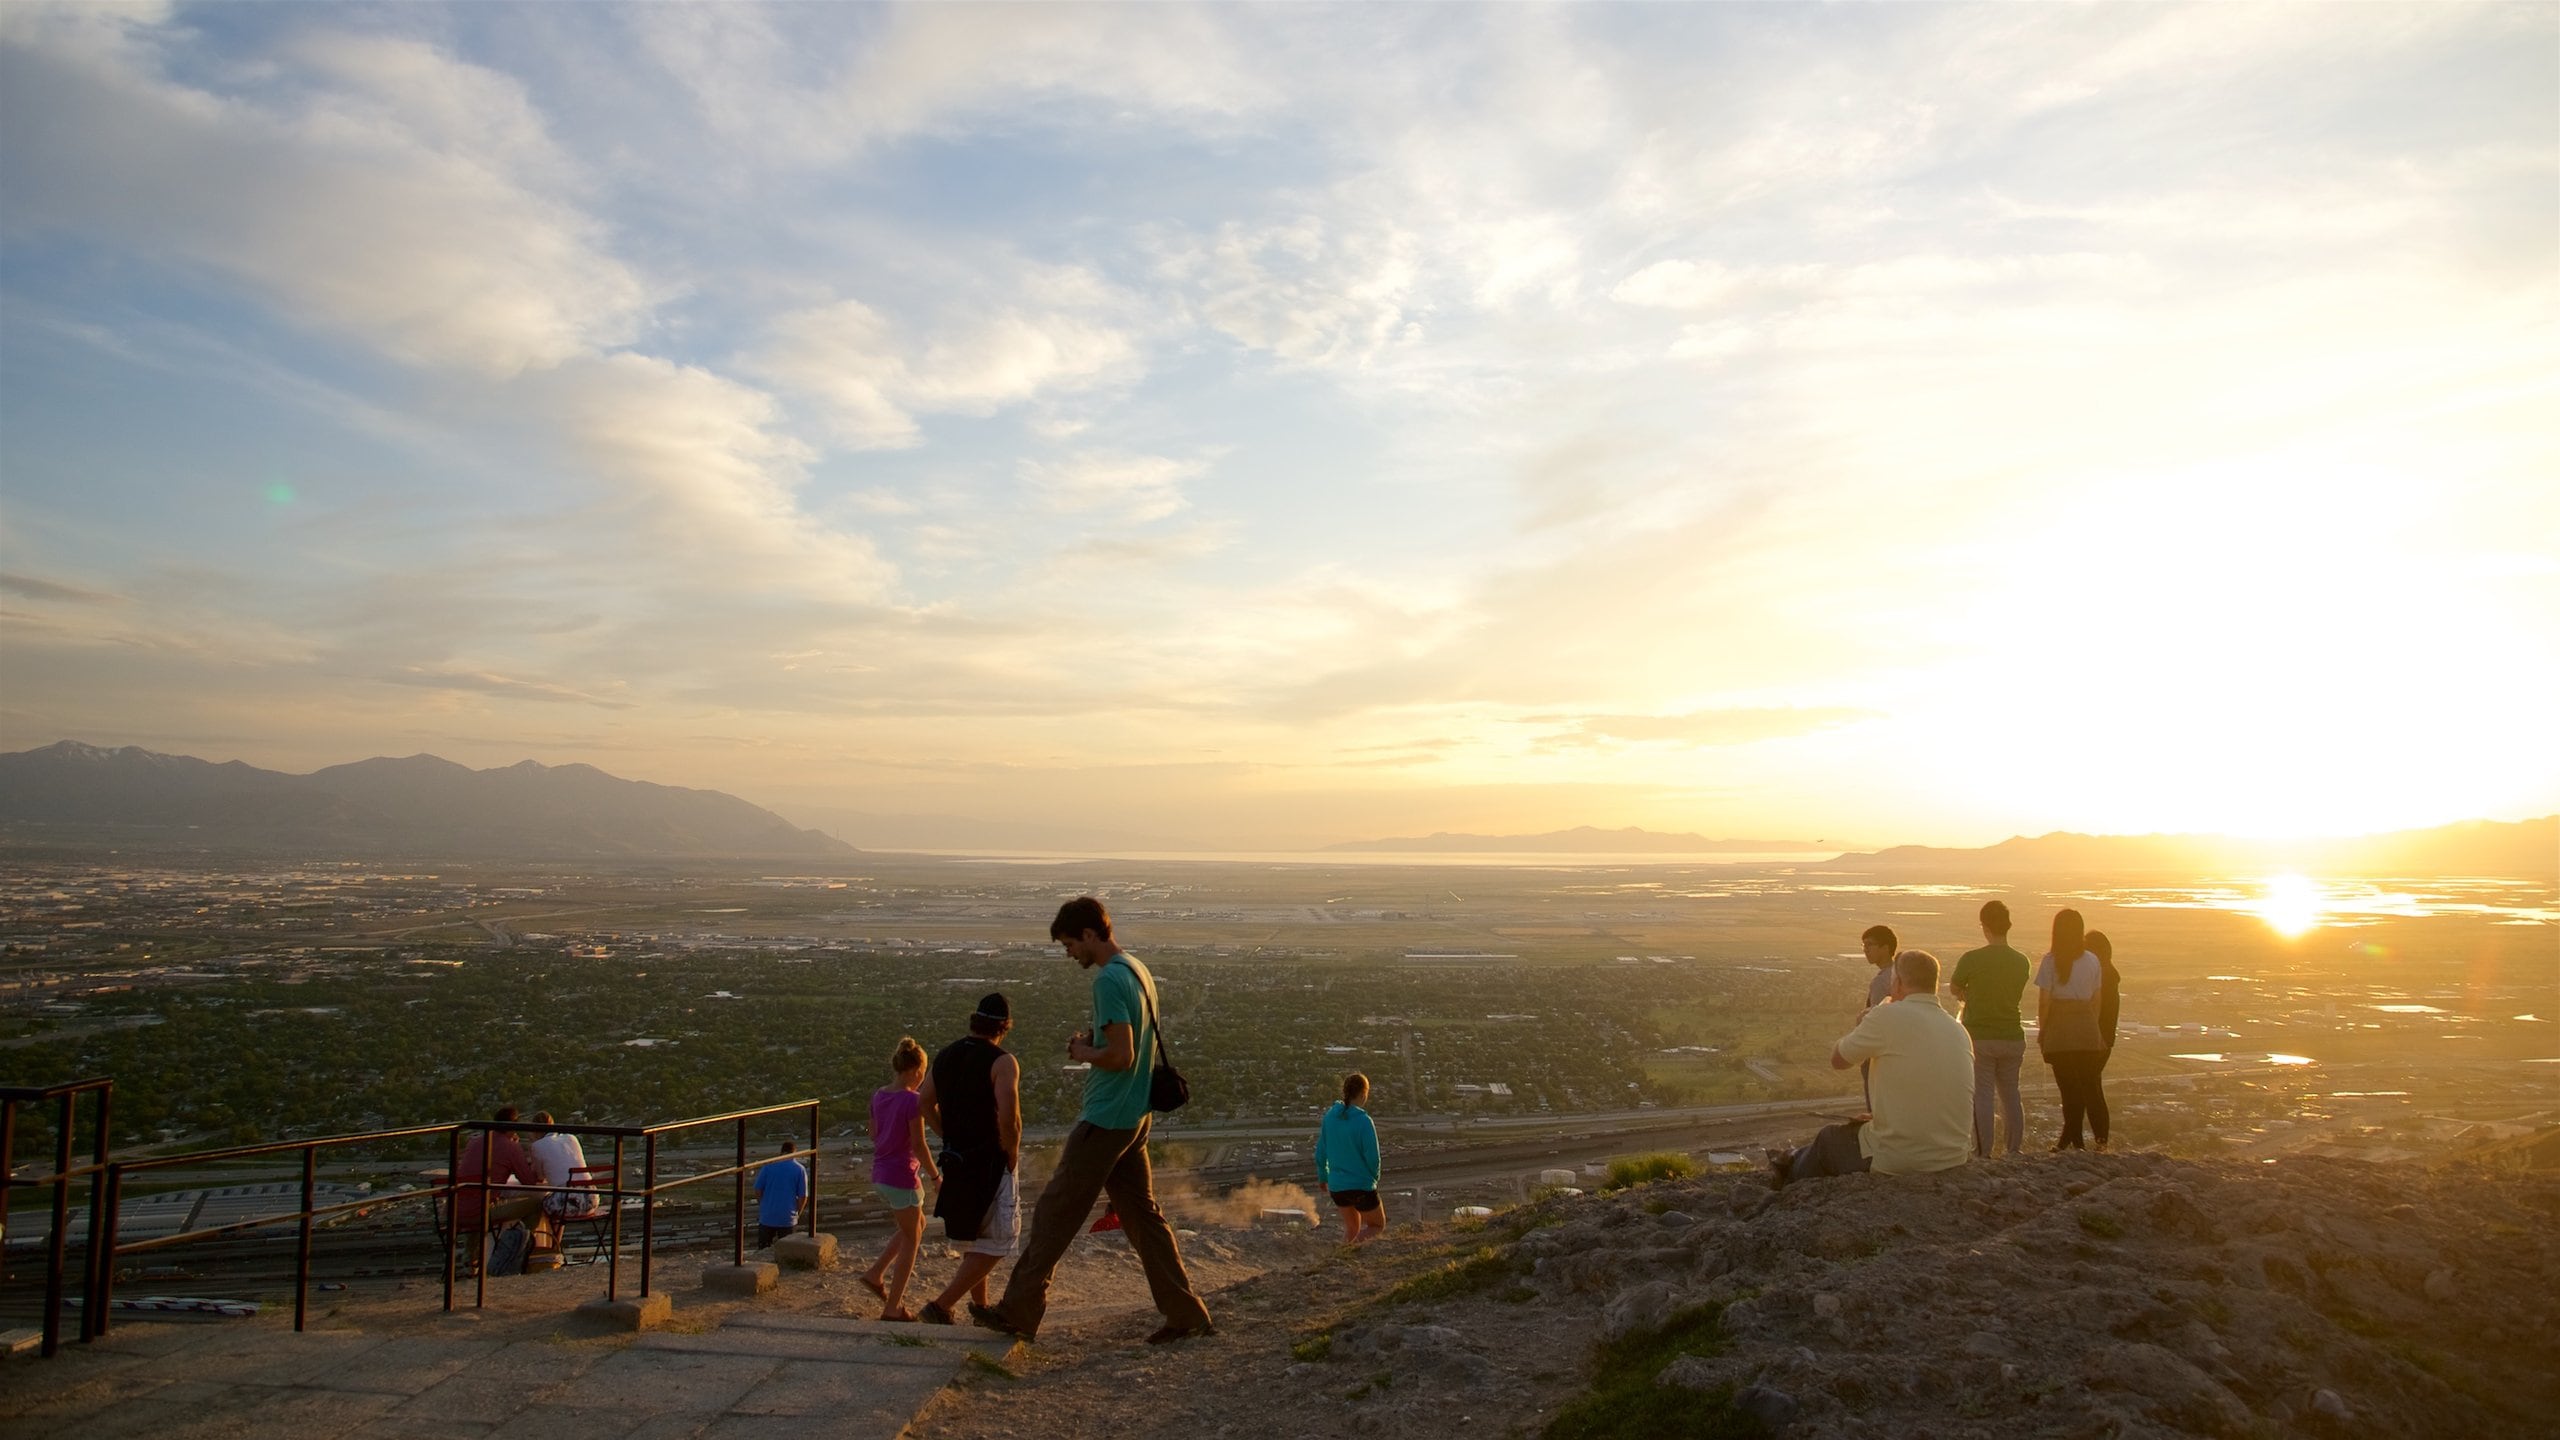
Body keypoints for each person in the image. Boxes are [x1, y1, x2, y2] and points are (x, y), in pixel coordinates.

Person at [972, 896, 1215, 1345]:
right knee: (1143, 1218)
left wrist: (1084, 1052)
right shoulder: (1137, 970)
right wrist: (1094, 1041)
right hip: (1135, 1116)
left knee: (1054, 1213)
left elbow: (1121, 1056)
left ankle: (1018, 1312)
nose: (1069, 954)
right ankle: (1187, 1314)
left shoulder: (1107, 981)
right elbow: (1130, 1043)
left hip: (1107, 1117)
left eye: (1069, 944)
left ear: (1089, 934)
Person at [1771, 949, 1974, 1186]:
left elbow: (1838, 1060)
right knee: (1854, 1132)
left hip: (1899, 1160)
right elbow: (1929, 1087)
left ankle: (1787, 1180)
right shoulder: (1958, 1030)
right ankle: (1792, 1159)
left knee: (1828, 1139)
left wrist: (1863, 1023)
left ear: (1897, 983)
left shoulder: (1886, 1016)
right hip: (1953, 1157)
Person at [916, 993, 1023, 1327]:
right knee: (1001, 1238)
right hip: (990, 1159)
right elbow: (1010, 1118)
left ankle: (981, 1308)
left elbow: (923, 1102)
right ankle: (941, 1305)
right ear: (1004, 1026)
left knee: (978, 1235)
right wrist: (1011, 1154)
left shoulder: (946, 1055)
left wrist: (947, 1134)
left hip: (957, 1158)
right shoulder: (1003, 1062)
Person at [861, 1037, 941, 1321]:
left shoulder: (879, 1095)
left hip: (880, 1173)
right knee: (913, 1238)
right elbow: (919, 1144)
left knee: (915, 1224)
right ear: (917, 1070)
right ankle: (893, 1307)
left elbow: (872, 1134)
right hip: (902, 1176)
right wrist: (934, 1175)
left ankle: (875, 1274)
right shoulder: (913, 1100)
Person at [1948, 901, 2032, 1156]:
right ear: (2008, 926)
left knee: (1983, 1094)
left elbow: (1954, 987)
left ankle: (1983, 1151)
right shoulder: (2021, 961)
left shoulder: (1972, 959)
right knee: (2010, 1094)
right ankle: (2013, 1150)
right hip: (2012, 1035)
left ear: (1984, 927)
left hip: (1980, 1036)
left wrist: (1967, 994)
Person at [2035, 909, 2109, 1151]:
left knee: (2068, 1090)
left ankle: (2074, 1141)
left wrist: (2043, 1029)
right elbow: (2097, 999)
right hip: (2087, 1028)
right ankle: (2094, 1142)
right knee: (2089, 1086)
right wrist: (2091, 1025)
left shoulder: (2050, 961)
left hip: (2060, 1030)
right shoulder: (2092, 960)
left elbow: (2044, 1001)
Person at [453, 1105, 545, 1239]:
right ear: (514, 1126)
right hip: (481, 1212)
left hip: (455, 1209)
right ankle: (518, 1249)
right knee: (537, 1204)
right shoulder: (510, 1147)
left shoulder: (475, 1141)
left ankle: (471, 1257)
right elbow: (529, 1182)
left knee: (481, 1199)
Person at [1315, 1073, 1385, 1243]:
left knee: (1352, 1228)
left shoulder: (1330, 1117)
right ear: (1363, 1094)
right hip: (1361, 1185)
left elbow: (1320, 1151)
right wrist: (1374, 1179)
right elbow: (1373, 1158)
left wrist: (1323, 1177)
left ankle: (1339, 1260)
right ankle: (1350, 1253)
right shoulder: (1364, 1121)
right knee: (1376, 1226)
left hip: (1337, 1187)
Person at [2086, 928, 2124, 1152]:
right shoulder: (2109, 975)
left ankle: (2099, 1140)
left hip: (2098, 1040)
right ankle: (2100, 1141)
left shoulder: (2104, 978)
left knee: (2089, 1089)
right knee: (2092, 1088)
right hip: (2103, 1040)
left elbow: (2102, 1013)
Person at [1857, 924, 1898, 1111]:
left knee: (1877, 1107)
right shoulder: (1902, 974)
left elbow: (1876, 1021)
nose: (1866, 950)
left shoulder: (1882, 981)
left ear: (1886, 947)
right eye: (1863, 946)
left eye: (1870, 945)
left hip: (1881, 1052)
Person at [752, 1139, 808, 1250]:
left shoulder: (768, 1167)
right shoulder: (799, 1169)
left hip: (767, 1216)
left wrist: (763, 1205)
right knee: (788, 1251)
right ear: (795, 1152)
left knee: (763, 1249)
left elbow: (758, 1189)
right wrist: (798, 1212)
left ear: (781, 1152)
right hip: (788, 1217)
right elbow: (803, 1196)